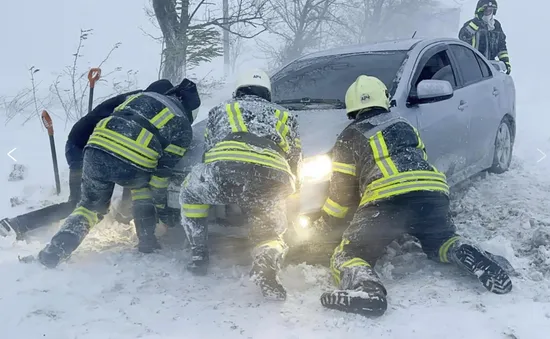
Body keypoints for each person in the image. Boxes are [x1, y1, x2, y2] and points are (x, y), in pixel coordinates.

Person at [311, 75, 513, 317]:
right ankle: (465, 252)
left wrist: (325, 225)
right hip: (432, 193)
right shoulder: (404, 125)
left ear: (352, 107)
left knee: (349, 254)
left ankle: (368, 291)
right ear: (383, 99)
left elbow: (341, 196)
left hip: (386, 201)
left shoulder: (349, 136)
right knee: (440, 241)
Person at [36, 78, 201, 268]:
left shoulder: (140, 97)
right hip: (132, 161)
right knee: (143, 190)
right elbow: (161, 176)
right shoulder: (182, 125)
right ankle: (147, 242)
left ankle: (56, 250)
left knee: (89, 207)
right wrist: (162, 209)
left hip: (95, 150)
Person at [179, 69, 302, 300]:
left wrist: (218, 181)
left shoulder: (221, 109)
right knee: (270, 229)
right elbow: (295, 158)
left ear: (238, 91)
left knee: (191, 194)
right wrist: (291, 192)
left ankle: (199, 253)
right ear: (267, 93)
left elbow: (209, 150)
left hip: (225, 169)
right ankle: (267, 260)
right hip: (271, 176)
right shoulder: (286, 115)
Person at [0, 80, 174, 239]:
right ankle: (17, 224)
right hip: (83, 148)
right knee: (77, 203)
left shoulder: (138, 100)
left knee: (133, 170)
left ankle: (123, 214)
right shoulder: (141, 106)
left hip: (100, 147)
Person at [459, 0, 511, 74]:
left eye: (490, 10)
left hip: (490, 68)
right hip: (473, 66)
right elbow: (463, 36)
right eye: (485, 11)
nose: (488, 13)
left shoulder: (496, 26)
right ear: (480, 11)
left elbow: (501, 46)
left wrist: (505, 62)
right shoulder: (472, 24)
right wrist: (476, 23)